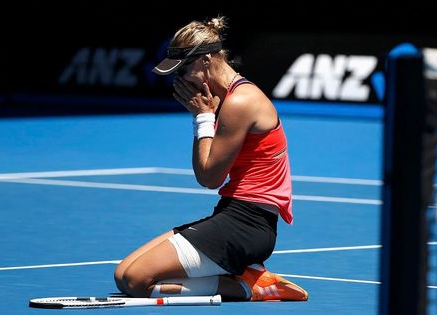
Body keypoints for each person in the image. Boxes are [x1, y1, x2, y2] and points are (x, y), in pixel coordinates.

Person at [113, 16, 308, 302]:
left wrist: (202, 118)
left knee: (136, 281)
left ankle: (248, 287)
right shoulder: (226, 98)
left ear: (205, 60)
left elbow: (209, 177)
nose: (181, 80)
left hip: (247, 226)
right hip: (233, 215)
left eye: (184, 70)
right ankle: (245, 274)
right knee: (122, 273)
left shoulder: (240, 102)